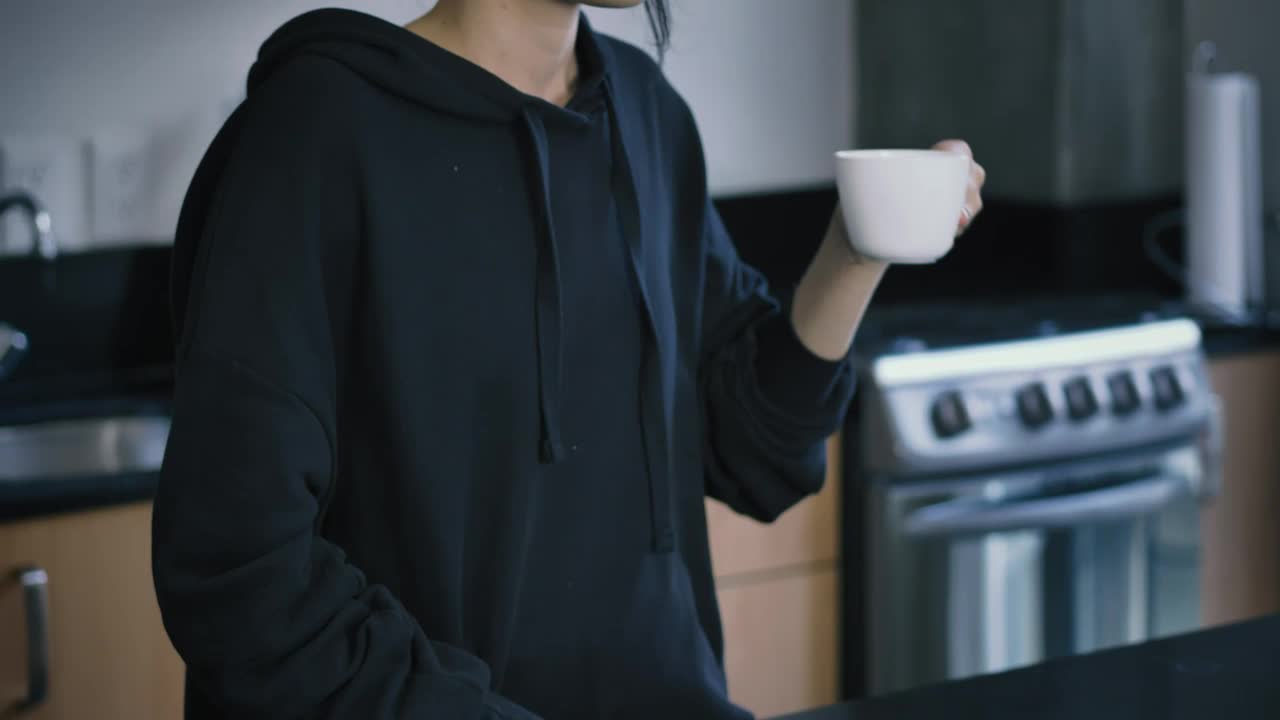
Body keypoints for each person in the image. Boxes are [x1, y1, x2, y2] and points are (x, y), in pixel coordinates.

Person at [152, 1, 986, 718]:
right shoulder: (312, 134)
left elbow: (755, 449)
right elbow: (240, 576)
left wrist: (859, 244)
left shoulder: (647, 113)